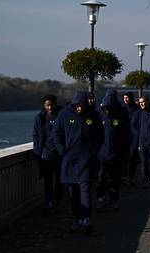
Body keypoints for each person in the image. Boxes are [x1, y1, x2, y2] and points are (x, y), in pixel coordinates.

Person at [52, 91, 103, 234]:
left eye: (82, 106)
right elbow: (56, 134)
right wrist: (63, 151)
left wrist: (94, 152)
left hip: (87, 159)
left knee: (85, 189)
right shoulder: (64, 115)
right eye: (77, 106)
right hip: (70, 160)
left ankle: (86, 219)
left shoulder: (94, 115)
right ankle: (77, 218)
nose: (79, 109)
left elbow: (100, 136)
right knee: (73, 192)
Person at [96, 92, 130, 211]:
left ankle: (113, 199)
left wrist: (124, 152)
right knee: (101, 178)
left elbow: (126, 135)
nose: (107, 110)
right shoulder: (99, 116)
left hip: (116, 154)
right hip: (102, 155)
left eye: (109, 107)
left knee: (115, 179)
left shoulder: (121, 115)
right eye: (105, 108)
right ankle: (100, 198)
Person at [33, 94, 63, 215]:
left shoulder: (62, 115)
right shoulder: (40, 117)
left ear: (56, 104)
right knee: (48, 181)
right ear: (44, 105)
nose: (50, 107)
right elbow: (36, 135)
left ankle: (57, 201)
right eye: (47, 105)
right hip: (46, 154)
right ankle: (49, 202)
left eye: (51, 105)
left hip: (60, 153)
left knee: (61, 181)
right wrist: (37, 152)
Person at [135, 96, 150, 188]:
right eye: (140, 103)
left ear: (147, 102)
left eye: (143, 102)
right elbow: (133, 126)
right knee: (143, 162)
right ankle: (145, 180)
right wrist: (138, 135)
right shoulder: (138, 113)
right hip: (142, 142)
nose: (142, 104)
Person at [122, 91, 140, 185]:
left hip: (134, 136)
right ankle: (124, 176)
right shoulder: (122, 109)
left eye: (127, 98)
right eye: (124, 97)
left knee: (133, 156)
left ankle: (130, 177)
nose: (125, 99)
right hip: (124, 136)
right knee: (124, 157)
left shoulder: (137, 109)